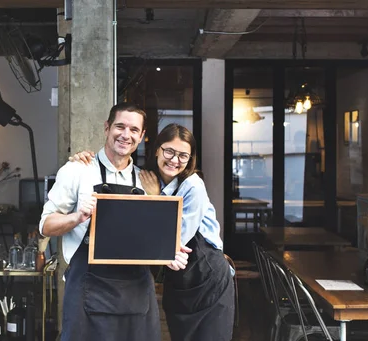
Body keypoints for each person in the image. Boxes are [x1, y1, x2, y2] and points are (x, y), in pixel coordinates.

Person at [40, 103, 190, 341]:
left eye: (133, 130)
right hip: (87, 289)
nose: (125, 135)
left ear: (141, 136)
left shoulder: (147, 181)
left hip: (136, 295)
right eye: (120, 126)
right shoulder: (77, 171)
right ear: (107, 128)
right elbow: (46, 225)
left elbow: (154, 239)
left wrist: (170, 252)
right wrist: (77, 217)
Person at [71, 123, 235, 341]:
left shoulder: (193, 185)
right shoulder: (145, 177)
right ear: (157, 149)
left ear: (190, 159)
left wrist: (155, 197)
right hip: (178, 278)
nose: (175, 160)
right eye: (169, 151)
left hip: (209, 276)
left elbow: (172, 240)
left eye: (183, 156)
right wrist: (82, 161)